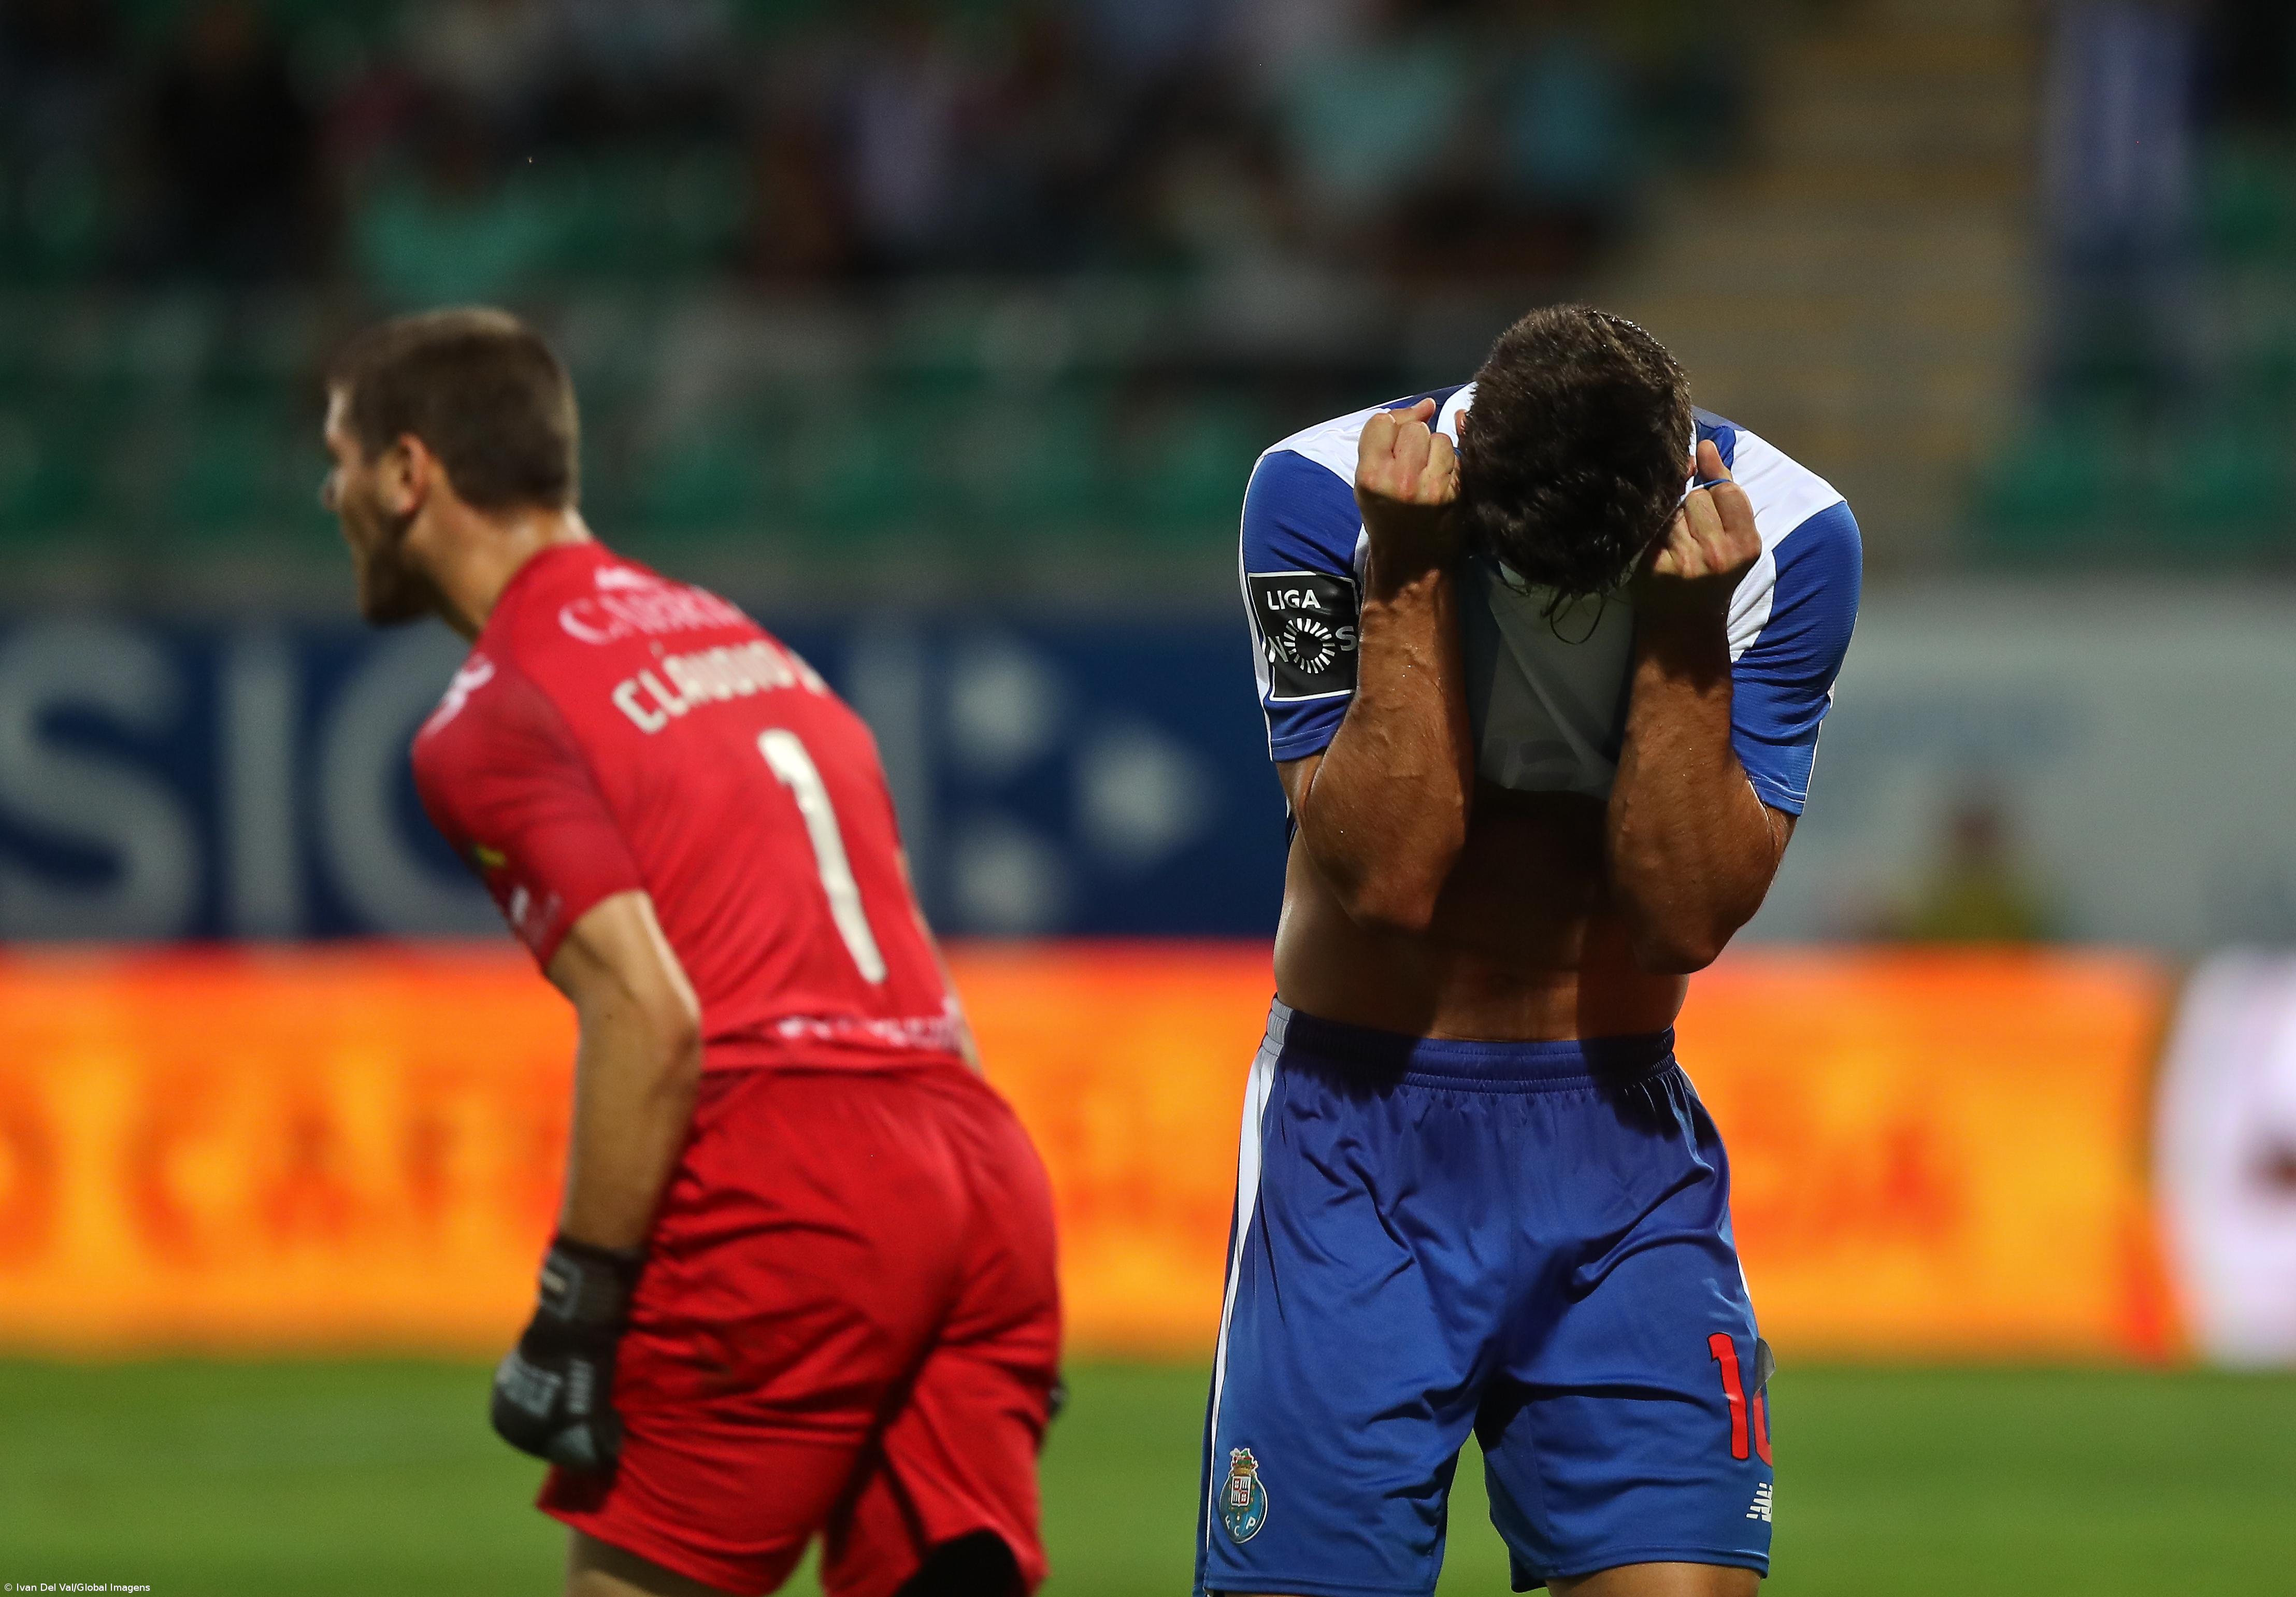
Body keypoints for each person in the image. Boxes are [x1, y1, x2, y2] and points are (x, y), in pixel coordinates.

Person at [319, 308, 1060, 1597]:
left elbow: (650, 1016)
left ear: (405, 473)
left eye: (334, 456)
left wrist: (576, 1302)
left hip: (786, 1180)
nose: (328, 493)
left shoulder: (493, 713)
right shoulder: (744, 641)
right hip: (977, 1161)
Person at [1206, 304, 1861, 1597]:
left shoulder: (1790, 541)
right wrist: (1402, 573)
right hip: (1356, 1137)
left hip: (1616, 1143)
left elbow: (1683, 917)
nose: (1563, 612)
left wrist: (1679, 636)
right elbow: (1384, 876)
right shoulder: (1308, 498)